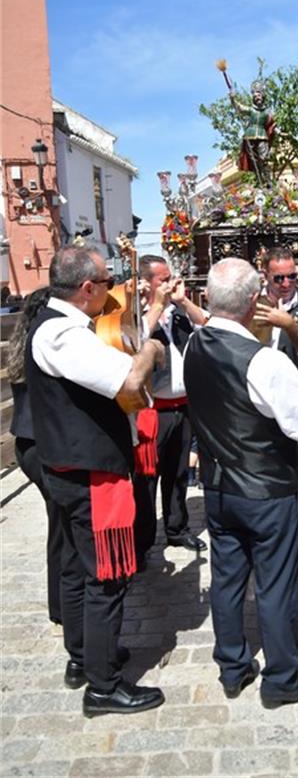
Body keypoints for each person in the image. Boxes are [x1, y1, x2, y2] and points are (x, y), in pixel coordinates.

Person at [185, 258, 298, 707]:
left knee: (227, 579)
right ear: (255, 301)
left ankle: (232, 666)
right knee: (276, 584)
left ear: (208, 297)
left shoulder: (194, 343)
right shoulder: (264, 360)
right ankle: (281, 679)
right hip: (266, 489)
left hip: (218, 486)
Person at [26, 246, 165, 717]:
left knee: (78, 568)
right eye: (107, 282)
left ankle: (88, 655)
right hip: (89, 474)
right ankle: (103, 686)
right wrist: (150, 349)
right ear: (87, 288)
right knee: (107, 577)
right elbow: (129, 382)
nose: (112, 291)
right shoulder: (63, 333)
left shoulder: (58, 325)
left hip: (73, 466)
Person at [255, 247, 298, 569]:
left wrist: (289, 325)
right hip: (261, 402)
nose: (286, 284)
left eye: (292, 277)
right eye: (279, 278)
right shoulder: (253, 303)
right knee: (264, 470)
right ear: (265, 276)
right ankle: (269, 534)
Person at [134, 255, 207, 563]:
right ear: (146, 282)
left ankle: (177, 528)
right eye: (162, 279)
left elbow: (207, 324)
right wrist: (155, 306)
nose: (169, 283)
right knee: (147, 479)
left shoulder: (179, 312)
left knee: (178, 473)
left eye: (170, 277)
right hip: (152, 410)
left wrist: (182, 301)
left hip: (183, 405)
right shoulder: (137, 314)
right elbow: (136, 338)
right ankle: (142, 542)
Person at [7, 286, 64, 627]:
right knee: (61, 528)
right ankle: (61, 605)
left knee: (58, 524)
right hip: (42, 445)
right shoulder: (45, 345)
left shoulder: (20, 344)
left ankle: (61, 602)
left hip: (25, 443)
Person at [230, 79, 275, 186]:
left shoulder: (267, 112)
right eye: (255, 96)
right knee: (254, 161)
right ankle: (260, 181)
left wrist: (278, 131)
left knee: (264, 159)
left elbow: (272, 124)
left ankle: (268, 181)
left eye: (259, 95)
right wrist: (232, 98)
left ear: (263, 97)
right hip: (250, 136)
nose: (257, 97)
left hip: (262, 136)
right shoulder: (251, 110)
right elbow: (239, 108)